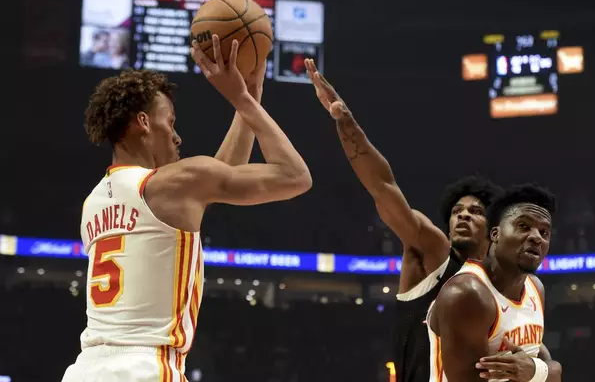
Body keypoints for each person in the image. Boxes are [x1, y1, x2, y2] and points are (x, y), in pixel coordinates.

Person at [61, 36, 312, 382]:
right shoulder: (167, 185)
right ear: (145, 122)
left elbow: (216, 179)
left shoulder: (93, 203)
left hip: (84, 370)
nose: (177, 137)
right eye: (171, 122)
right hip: (145, 368)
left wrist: (249, 101)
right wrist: (241, 98)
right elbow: (295, 176)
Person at [304, 59, 502, 382]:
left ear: (493, 232)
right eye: (456, 211)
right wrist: (346, 123)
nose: (463, 214)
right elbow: (382, 187)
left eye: (475, 211)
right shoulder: (435, 253)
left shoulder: (497, 288)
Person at [426, 184, 563, 382]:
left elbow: (538, 362)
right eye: (523, 226)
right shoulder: (466, 293)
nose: (536, 237)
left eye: (544, 232)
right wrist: (548, 371)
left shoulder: (535, 288)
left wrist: (538, 371)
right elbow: (550, 373)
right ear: (495, 234)